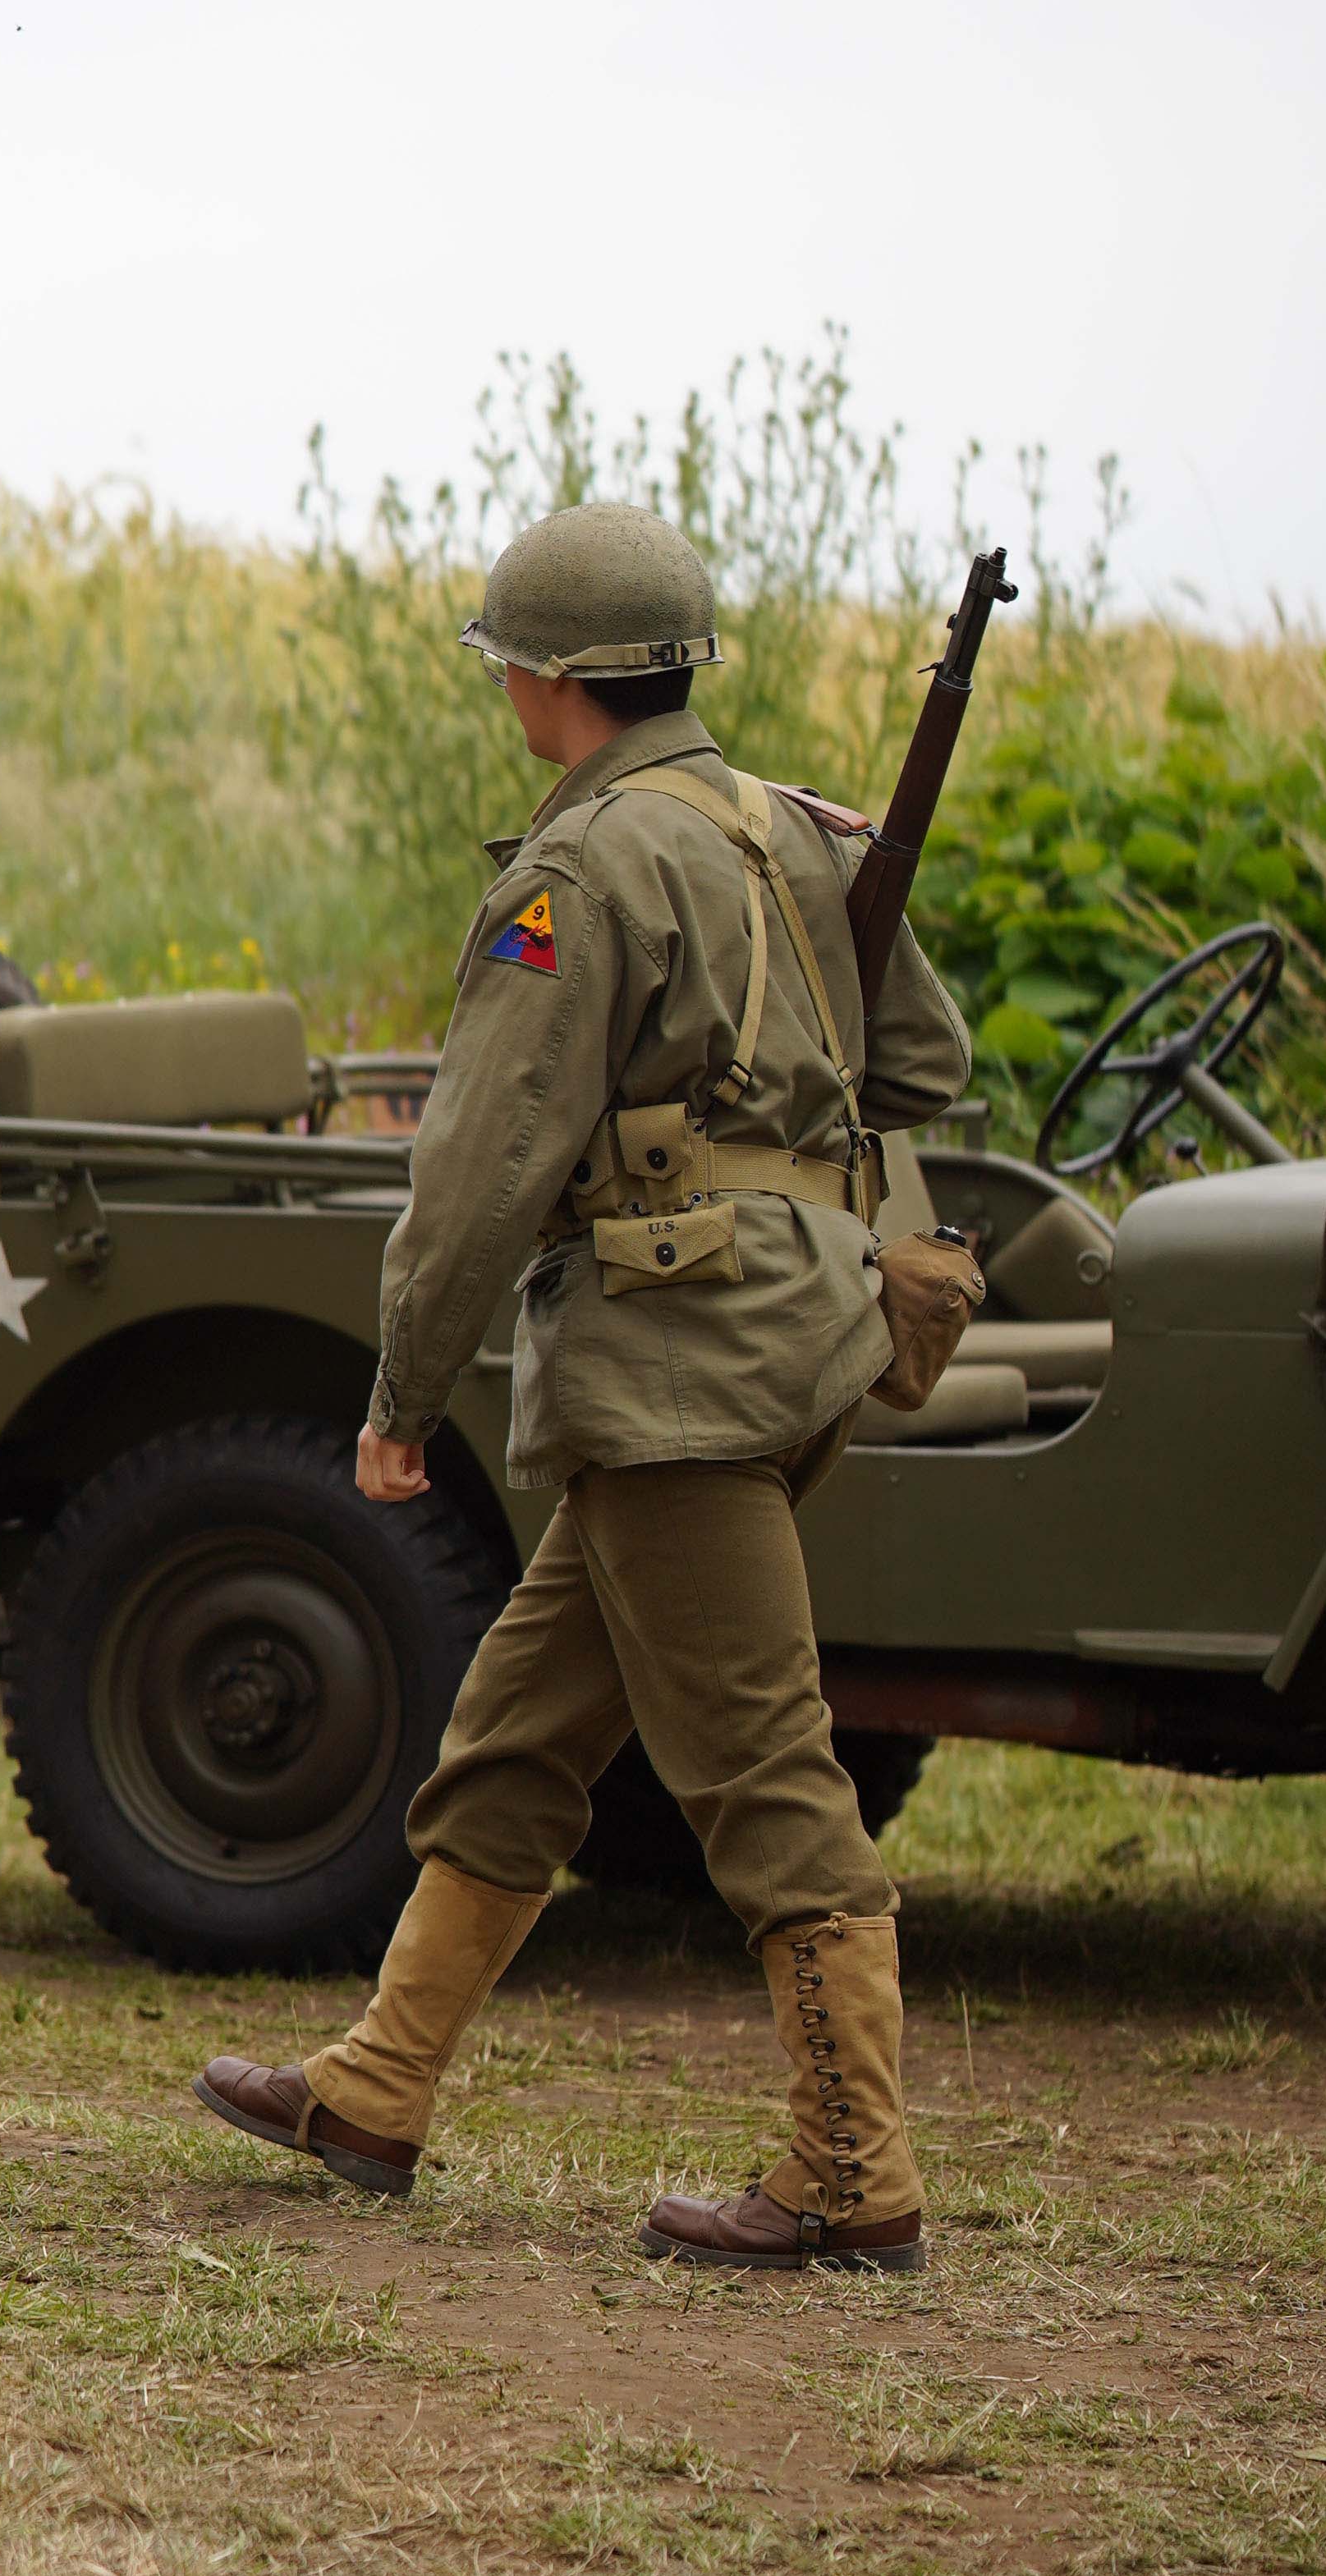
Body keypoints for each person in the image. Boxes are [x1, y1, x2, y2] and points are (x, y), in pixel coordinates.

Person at [194, 501, 974, 2270]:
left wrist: (401, 1399)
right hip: (803, 1338)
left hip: (675, 1373)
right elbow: (920, 1062)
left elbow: (484, 1160)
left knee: (761, 1768)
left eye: (508, 667)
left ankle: (853, 2173)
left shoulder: (581, 870)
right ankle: (379, 2086)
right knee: (520, 1735)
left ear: (548, 681)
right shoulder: (793, 830)